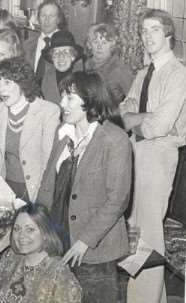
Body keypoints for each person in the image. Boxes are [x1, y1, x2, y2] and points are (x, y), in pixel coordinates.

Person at [37, 71, 131, 303]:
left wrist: (85, 241)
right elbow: (47, 186)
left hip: (95, 249)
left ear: (89, 100)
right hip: (59, 241)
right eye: (62, 97)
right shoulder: (63, 135)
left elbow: (117, 200)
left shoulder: (115, 139)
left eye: (69, 98)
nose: (62, 104)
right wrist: (38, 228)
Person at [120, 9, 186, 303]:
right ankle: (149, 297)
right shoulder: (142, 73)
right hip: (135, 151)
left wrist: (138, 118)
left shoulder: (179, 73)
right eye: (144, 31)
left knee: (149, 234)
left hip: (160, 156)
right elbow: (122, 115)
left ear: (169, 34)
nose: (148, 36)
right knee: (136, 230)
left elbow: (161, 127)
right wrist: (141, 117)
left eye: (155, 29)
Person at [0, 57, 60, 203]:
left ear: (22, 82)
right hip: (6, 187)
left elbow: (48, 162)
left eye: (7, 82)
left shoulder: (48, 111)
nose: (1, 89)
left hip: (36, 188)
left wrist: (42, 199)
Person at [0, 203, 82, 303]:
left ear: (45, 233)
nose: (21, 235)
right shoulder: (9, 258)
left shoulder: (60, 275)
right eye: (17, 229)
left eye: (30, 230)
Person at [85, 23, 134, 104]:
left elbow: (132, 100)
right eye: (95, 42)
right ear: (89, 44)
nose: (99, 47)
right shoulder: (82, 66)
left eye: (104, 43)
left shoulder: (120, 70)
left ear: (113, 45)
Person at [23, 0, 66, 82]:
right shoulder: (27, 45)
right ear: (38, 19)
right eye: (43, 16)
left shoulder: (67, 44)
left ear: (58, 19)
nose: (47, 20)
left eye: (51, 16)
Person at [40, 30, 84, 104]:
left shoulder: (83, 79)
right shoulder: (46, 79)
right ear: (52, 58)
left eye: (66, 52)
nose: (61, 57)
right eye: (56, 53)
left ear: (73, 56)